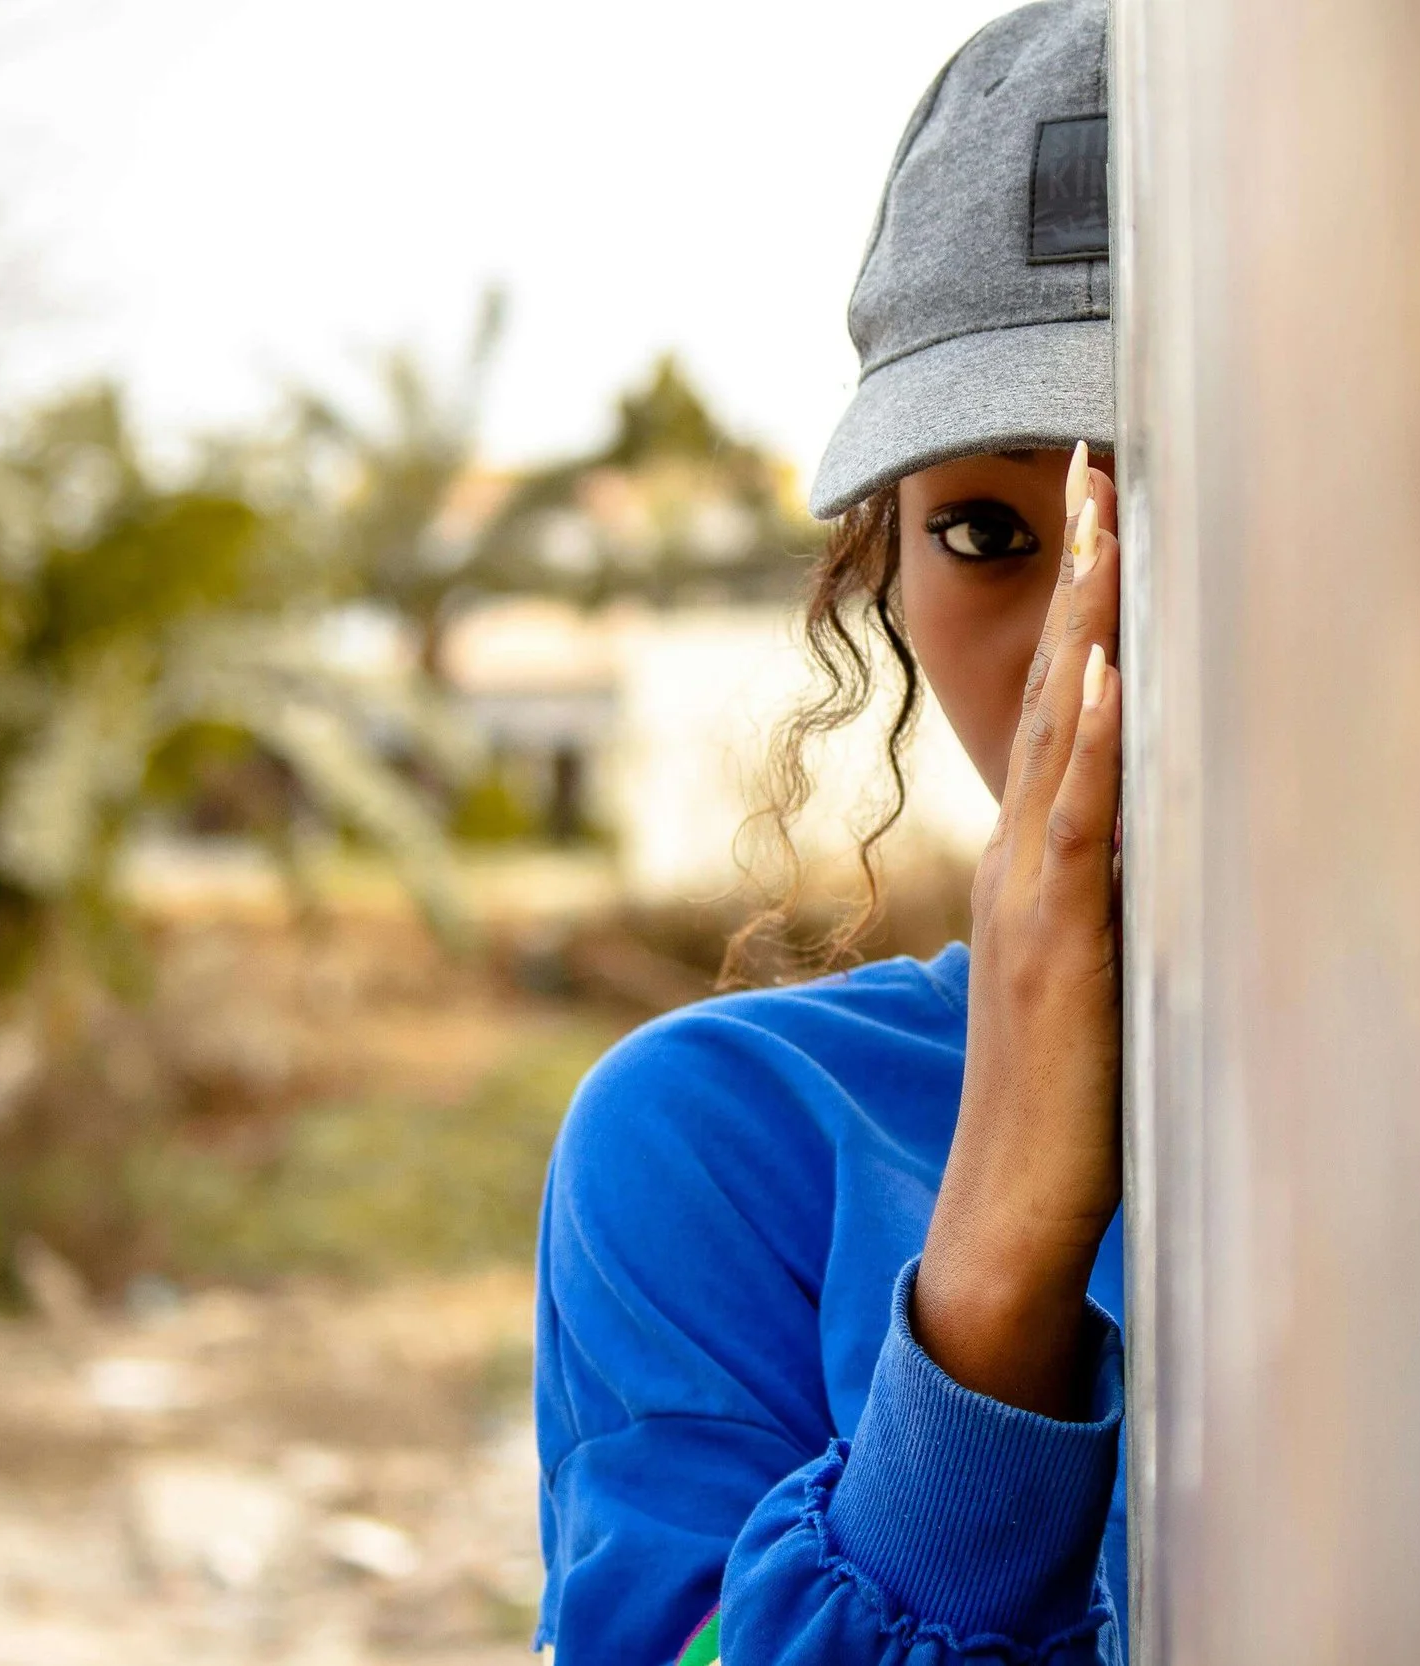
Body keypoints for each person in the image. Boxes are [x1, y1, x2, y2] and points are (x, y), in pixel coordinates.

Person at [534, 5, 1126, 1661]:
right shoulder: (719, 1150)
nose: (1094, 642)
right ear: (887, 564)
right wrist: (999, 1257)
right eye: (995, 529)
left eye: (1192, 512)